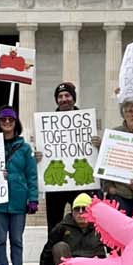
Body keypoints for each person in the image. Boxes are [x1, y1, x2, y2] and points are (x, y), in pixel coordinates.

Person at [0, 107, 38, 265]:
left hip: (19, 199)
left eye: (10, 120)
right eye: (3, 120)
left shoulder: (25, 148)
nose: (7, 123)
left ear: (16, 123)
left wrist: (33, 198)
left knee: (17, 240)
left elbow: (31, 174)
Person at [41, 192, 107, 265]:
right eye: (77, 209)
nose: (81, 213)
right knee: (59, 246)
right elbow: (47, 250)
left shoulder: (101, 227)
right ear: (72, 211)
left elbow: (115, 250)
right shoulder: (62, 227)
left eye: (84, 209)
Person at [41, 81, 86, 239]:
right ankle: (54, 256)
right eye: (60, 96)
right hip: (56, 185)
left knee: (83, 222)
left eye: (67, 95)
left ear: (73, 98)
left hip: (80, 183)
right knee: (54, 225)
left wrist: (97, 145)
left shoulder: (85, 122)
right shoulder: (46, 124)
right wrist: (38, 156)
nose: (64, 99)